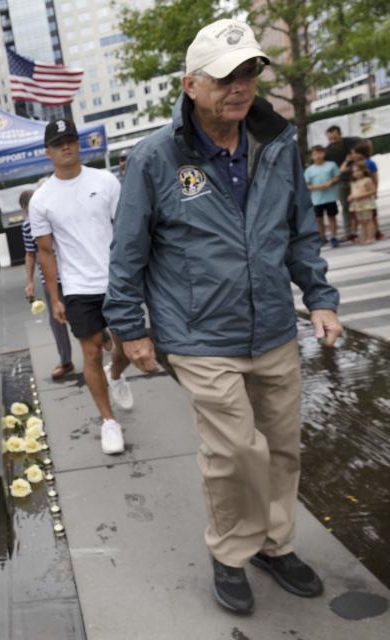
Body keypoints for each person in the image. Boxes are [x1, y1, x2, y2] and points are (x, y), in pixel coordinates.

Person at [105, 19, 342, 615]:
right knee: (237, 450)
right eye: (225, 76)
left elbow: (299, 234)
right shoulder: (156, 158)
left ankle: (274, 543)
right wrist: (129, 327)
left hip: (273, 331)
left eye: (249, 73)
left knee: (282, 446)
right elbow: (128, 248)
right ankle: (231, 551)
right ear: (190, 85)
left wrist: (319, 297)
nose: (240, 86)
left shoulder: (277, 145)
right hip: (198, 334)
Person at [29, 117, 135, 456]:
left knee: (128, 349)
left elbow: (126, 230)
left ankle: (115, 374)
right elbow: (45, 252)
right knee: (89, 352)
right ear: (48, 151)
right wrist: (55, 297)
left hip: (116, 281)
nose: (66, 146)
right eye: (59, 142)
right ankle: (108, 422)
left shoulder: (106, 181)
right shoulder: (41, 199)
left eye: (71, 139)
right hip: (77, 288)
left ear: (79, 143)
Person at [21, 189, 74, 380]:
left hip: (73, 274)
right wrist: (29, 281)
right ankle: (66, 360)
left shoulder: (57, 217)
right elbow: (30, 253)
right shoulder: (28, 226)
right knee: (57, 319)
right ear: (26, 209)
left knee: (77, 313)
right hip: (53, 278)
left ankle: (101, 336)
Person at [324, 125, 362, 240]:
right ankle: (348, 231)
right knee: (345, 207)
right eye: (330, 139)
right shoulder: (328, 151)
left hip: (357, 179)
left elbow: (365, 147)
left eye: (335, 138)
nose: (333, 141)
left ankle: (364, 229)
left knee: (360, 205)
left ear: (340, 134)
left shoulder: (353, 142)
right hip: (341, 181)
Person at [303, 145, 341, 247]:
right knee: (318, 219)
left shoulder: (331, 165)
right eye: (315, 154)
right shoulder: (309, 170)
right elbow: (306, 185)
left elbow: (337, 177)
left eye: (320, 153)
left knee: (331, 217)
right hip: (316, 199)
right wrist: (318, 187)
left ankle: (333, 236)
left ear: (324, 153)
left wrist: (330, 183)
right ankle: (322, 236)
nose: (318, 156)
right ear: (312, 156)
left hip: (330, 197)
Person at [347, 140, 382, 240]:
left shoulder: (370, 163)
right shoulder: (355, 164)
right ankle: (367, 234)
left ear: (360, 153)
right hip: (359, 194)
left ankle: (376, 232)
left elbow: (375, 177)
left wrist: (375, 190)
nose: (352, 155)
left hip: (367, 191)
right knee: (362, 217)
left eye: (354, 153)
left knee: (372, 215)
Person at [349, 162, 378, 244]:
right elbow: (353, 192)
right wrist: (351, 196)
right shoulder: (353, 182)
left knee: (369, 220)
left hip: (366, 204)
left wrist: (361, 196)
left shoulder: (367, 180)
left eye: (358, 170)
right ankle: (365, 236)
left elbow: (373, 190)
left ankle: (370, 237)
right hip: (357, 205)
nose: (356, 173)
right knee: (361, 221)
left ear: (364, 170)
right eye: (354, 171)